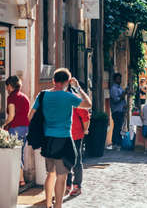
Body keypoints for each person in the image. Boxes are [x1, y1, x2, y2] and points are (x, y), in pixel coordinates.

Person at [28, 68, 91, 208]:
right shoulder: (68, 96)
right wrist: (78, 88)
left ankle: (48, 204)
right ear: (68, 82)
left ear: (53, 81)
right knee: (61, 176)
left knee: (50, 174)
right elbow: (88, 104)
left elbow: (30, 116)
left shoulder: (43, 95)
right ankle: (58, 206)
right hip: (63, 139)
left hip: (48, 139)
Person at [3, 76, 30, 187]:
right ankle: (21, 179)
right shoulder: (24, 97)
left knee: (14, 154)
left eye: (6, 86)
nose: (6, 89)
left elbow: (11, 116)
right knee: (20, 154)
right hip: (25, 128)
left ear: (10, 86)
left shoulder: (12, 97)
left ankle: (17, 180)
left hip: (15, 128)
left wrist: (4, 125)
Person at [66, 88, 90, 196]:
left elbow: (85, 117)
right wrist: (85, 130)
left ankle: (75, 185)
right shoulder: (57, 96)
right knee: (67, 161)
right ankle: (68, 184)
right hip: (66, 134)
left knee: (75, 160)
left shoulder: (74, 98)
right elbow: (86, 118)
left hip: (74, 134)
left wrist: (84, 130)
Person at [110, 73, 128, 150]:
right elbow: (115, 100)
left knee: (119, 127)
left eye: (120, 79)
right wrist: (123, 94)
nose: (120, 80)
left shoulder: (120, 88)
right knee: (117, 127)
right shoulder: (114, 88)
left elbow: (122, 98)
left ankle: (118, 142)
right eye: (118, 79)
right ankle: (115, 143)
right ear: (115, 79)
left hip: (121, 110)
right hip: (116, 110)